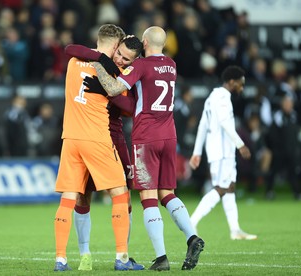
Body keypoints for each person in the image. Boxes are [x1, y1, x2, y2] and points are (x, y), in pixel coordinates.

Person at [86, 26, 204, 271]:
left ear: (145, 42)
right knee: (167, 193)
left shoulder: (140, 65)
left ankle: (161, 258)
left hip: (146, 136)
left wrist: (98, 66)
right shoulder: (171, 65)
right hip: (169, 135)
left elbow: (115, 88)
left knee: (148, 197)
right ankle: (192, 237)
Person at [53, 24, 144, 272]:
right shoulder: (112, 71)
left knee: (69, 197)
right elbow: (129, 107)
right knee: (120, 195)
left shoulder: (74, 61)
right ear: (115, 46)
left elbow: (71, 48)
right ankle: (122, 258)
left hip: (70, 139)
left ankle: (60, 259)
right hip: (97, 138)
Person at [188, 65, 258, 240]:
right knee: (221, 188)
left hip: (222, 151)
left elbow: (203, 125)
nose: (242, 88)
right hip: (221, 151)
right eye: (240, 84)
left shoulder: (213, 96)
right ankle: (190, 223)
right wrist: (240, 144)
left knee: (230, 188)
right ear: (232, 82)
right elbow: (225, 123)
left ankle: (235, 230)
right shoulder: (222, 98)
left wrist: (197, 152)